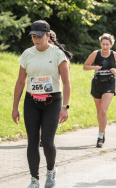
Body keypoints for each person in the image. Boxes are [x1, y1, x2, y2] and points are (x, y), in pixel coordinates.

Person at [12, 20, 72, 188]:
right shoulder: (27, 54)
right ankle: (34, 179)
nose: (36, 39)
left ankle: (51, 170)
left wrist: (65, 107)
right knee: (32, 140)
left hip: (52, 102)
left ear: (47, 36)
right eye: (33, 36)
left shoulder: (58, 54)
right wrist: (15, 107)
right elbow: (20, 82)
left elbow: (66, 83)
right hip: (31, 101)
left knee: (46, 141)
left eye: (39, 36)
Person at [83, 33, 116, 148]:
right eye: (103, 44)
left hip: (109, 83)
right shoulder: (95, 53)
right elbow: (85, 66)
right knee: (99, 111)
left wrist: (115, 69)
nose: (105, 47)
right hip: (97, 83)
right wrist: (93, 68)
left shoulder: (115, 55)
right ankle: (102, 130)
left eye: (107, 44)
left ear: (111, 44)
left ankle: (100, 136)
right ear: (100, 44)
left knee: (104, 110)